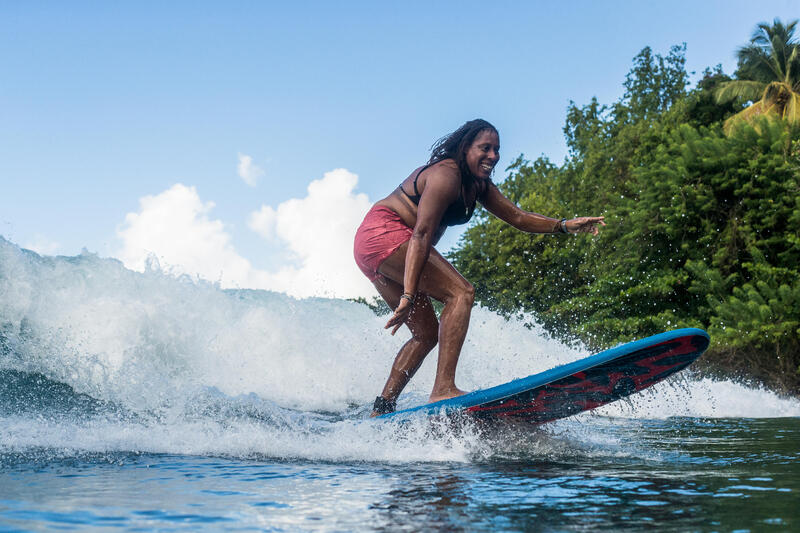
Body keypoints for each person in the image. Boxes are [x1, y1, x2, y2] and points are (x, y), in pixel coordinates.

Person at [353, 119, 605, 417]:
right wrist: (409, 294)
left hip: (371, 247)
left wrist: (564, 226)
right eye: (485, 148)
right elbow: (421, 234)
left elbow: (519, 218)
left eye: (497, 150)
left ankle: (382, 409)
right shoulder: (446, 175)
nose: (493, 156)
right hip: (384, 235)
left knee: (426, 333)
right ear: (465, 148)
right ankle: (443, 388)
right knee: (461, 292)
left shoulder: (478, 185)